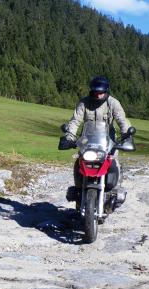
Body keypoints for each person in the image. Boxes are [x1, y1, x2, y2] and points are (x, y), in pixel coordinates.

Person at [60, 76, 132, 205]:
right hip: (87, 140)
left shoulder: (113, 103)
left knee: (113, 163)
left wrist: (126, 135)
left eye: (101, 92)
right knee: (79, 163)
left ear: (106, 91)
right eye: (96, 92)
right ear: (92, 91)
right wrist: (69, 137)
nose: (99, 95)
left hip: (107, 141)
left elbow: (122, 120)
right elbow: (75, 121)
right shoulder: (84, 103)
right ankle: (78, 190)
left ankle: (114, 192)